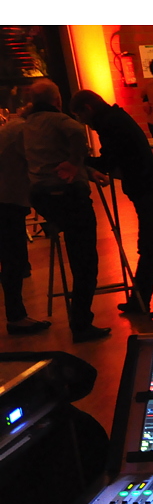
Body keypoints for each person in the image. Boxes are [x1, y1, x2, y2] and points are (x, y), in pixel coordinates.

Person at [70, 90, 153, 321]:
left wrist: (80, 159)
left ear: (88, 109)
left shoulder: (109, 124)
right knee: (150, 246)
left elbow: (108, 161)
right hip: (149, 186)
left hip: (144, 189)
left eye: (80, 115)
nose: (82, 122)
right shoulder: (115, 118)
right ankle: (141, 299)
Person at [22, 79, 109, 342]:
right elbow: (77, 133)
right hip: (69, 196)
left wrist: (85, 169)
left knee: (76, 251)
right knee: (85, 261)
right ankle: (81, 323)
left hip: (42, 196)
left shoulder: (27, 124)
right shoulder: (59, 121)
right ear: (57, 99)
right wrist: (74, 163)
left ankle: (79, 320)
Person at [0, 105, 50, 335]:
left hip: (6, 198)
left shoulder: (12, 128)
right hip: (7, 200)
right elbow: (38, 161)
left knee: (12, 259)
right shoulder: (23, 131)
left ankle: (17, 315)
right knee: (13, 259)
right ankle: (16, 317)